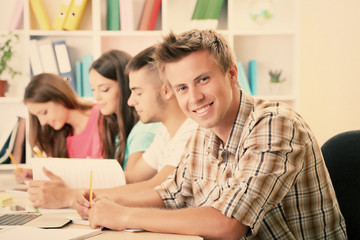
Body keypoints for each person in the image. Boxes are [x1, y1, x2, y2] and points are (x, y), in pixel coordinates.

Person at [87, 29, 347, 240]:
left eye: (202, 80)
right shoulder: (202, 133)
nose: (194, 97)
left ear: (231, 74)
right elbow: (171, 194)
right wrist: (101, 200)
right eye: (182, 88)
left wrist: (121, 216)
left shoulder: (274, 124)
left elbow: (228, 224)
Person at [73, 46, 198, 219]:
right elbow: (133, 177)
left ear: (166, 90)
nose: (131, 101)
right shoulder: (165, 132)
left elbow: (158, 187)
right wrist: (86, 193)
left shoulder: (192, 131)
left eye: (138, 92)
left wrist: (83, 196)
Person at [26, 50, 160, 209]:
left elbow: (130, 180)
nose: (96, 98)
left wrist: (69, 194)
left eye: (104, 89)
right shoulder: (126, 133)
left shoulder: (144, 129)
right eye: (93, 90)